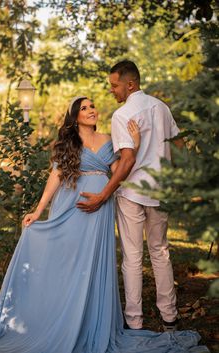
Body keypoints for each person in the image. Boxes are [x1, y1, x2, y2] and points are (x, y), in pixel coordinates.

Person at [0, 96, 207, 353]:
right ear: (75, 116)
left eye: (92, 106)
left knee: (93, 263)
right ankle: (61, 314)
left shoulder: (109, 140)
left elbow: (119, 172)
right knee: (68, 260)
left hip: (101, 210)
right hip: (72, 206)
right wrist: (38, 211)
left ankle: (89, 318)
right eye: (84, 108)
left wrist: (134, 145)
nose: (91, 110)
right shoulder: (68, 143)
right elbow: (55, 177)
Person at [77, 60, 184, 332]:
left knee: (133, 257)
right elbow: (181, 147)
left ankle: (134, 320)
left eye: (114, 85)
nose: (112, 90)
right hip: (160, 190)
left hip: (132, 193)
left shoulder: (122, 115)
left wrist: (102, 195)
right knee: (160, 252)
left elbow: (125, 162)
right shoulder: (162, 108)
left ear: (130, 84)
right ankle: (169, 316)